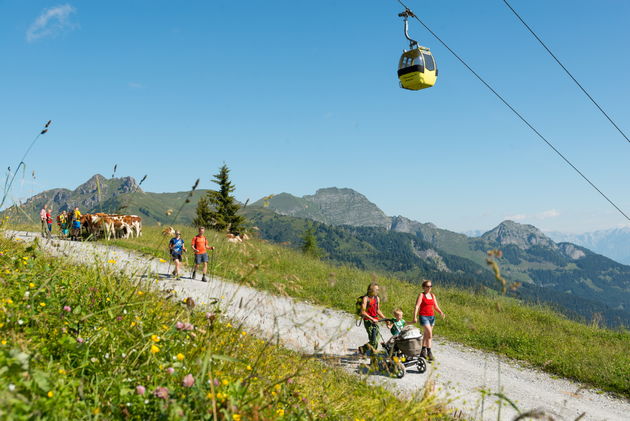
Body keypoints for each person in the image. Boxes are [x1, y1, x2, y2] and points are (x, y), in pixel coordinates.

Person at [412, 280, 446, 361]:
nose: (429, 288)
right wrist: (414, 317)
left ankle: (423, 351)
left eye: (430, 286)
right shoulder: (421, 295)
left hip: (431, 317)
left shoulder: (432, 295)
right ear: (423, 287)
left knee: (426, 335)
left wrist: (441, 312)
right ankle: (429, 352)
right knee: (430, 334)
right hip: (423, 316)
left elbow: (435, 306)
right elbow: (417, 306)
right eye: (427, 286)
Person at [359, 283, 386, 355]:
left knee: (376, 339)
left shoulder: (377, 298)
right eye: (376, 290)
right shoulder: (365, 299)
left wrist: (385, 319)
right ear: (371, 290)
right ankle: (373, 358)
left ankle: (363, 348)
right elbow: (362, 312)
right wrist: (372, 319)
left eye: (378, 290)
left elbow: (378, 310)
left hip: (376, 320)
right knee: (374, 341)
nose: (378, 291)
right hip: (368, 321)